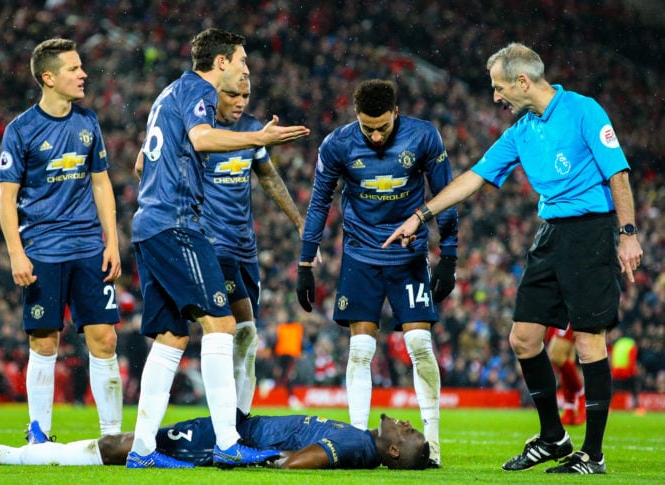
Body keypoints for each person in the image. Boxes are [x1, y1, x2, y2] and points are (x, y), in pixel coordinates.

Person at [384, 42, 643, 475]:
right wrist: (422, 214)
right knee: (523, 339)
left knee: (587, 341)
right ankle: (553, 438)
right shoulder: (521, 132)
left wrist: (628, 233)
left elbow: (617, 172)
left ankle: (592, 454)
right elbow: (472, 178)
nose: (495, 97)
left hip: (591, 232)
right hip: (550, 236)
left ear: (523, 81)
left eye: (499, 87)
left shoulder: (584, 111)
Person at [129, 28, 309, 468]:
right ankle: (229, 443)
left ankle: (142, 450)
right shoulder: (196, 89)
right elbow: (203, 139)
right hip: (176, 224)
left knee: (172, 337)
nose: (247, 70)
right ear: (222, 62)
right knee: (222, 323)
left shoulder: (169, 93)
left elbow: (139, 164)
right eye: (242, 61)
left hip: (149, 224)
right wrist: (259, 139)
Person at [296, 79, 459, 468]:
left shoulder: (423, 137)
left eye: (382, 127)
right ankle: (355, 445)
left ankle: (432, 445)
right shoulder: (337, 144)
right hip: (361, 256)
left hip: (408, 255)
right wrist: (304, 262)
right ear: (357, 116)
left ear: (396, 113)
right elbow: (320, 202)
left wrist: (448, 255)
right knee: (361, 349)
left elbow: (445, 195)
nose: (374, 135)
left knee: (420, 344)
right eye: (367, 127)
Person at [0, 38, 123, 438]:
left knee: (104, 337)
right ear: (48, 78)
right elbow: (6, 198)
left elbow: (101, 185)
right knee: (44, 340)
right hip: (42, 251)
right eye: (73, 68)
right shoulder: (21, 130)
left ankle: (111, 436)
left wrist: (113, 242)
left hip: (88, 247)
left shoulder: (88, 122)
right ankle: (39, 433)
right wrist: (17, 254)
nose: (83, 74)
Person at [202, 77, 305, 413]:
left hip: (246, 247)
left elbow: (269, 176)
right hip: (214, 245)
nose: (240, 101)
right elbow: (147, 167)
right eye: (232, 94)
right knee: (239, 328)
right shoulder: (197, 131)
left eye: (245, 94)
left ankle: (240, 418)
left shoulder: (251, 130)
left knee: (247, 335)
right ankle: (229, 419)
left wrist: (300, 221)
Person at [0, 413, 430, 470]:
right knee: (125, 443)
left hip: (235, 437)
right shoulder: (363, 439)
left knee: (124, 445)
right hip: (234, 430)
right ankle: (24, 450)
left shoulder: (357, 449)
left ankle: (2, 456)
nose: (403, 424)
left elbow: (297, 463)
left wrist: (260, 460)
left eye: (406, 434)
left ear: (392, 451)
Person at [546, 325, 585, 425]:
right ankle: (569, 409)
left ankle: (582, 394)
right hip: (559, 312)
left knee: (555, 356)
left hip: (568, 313)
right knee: (567, 358)